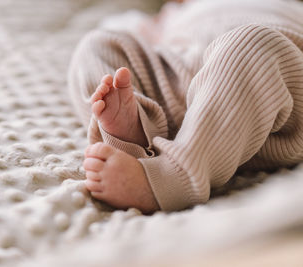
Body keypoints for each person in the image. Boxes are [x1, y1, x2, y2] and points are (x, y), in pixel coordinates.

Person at [67, 0, 303, 214]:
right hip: (173, 90)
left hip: (269, 94)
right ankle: (135, 136)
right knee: (99, 43)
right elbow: (124, 31)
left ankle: (173, 177)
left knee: (252, 43)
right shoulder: (172, 13)